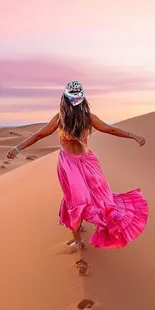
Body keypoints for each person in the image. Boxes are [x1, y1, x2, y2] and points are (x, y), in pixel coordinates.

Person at [7, 80, 148, 250]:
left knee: (100, 197)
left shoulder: (86, 118)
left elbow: (110, 130)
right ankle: (78, 240)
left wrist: (134, 136)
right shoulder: (61, 119)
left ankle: (83, 232)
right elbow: (39, 135)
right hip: (69, 165)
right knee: (75, 200)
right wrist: (17, 147)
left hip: (87, 162)